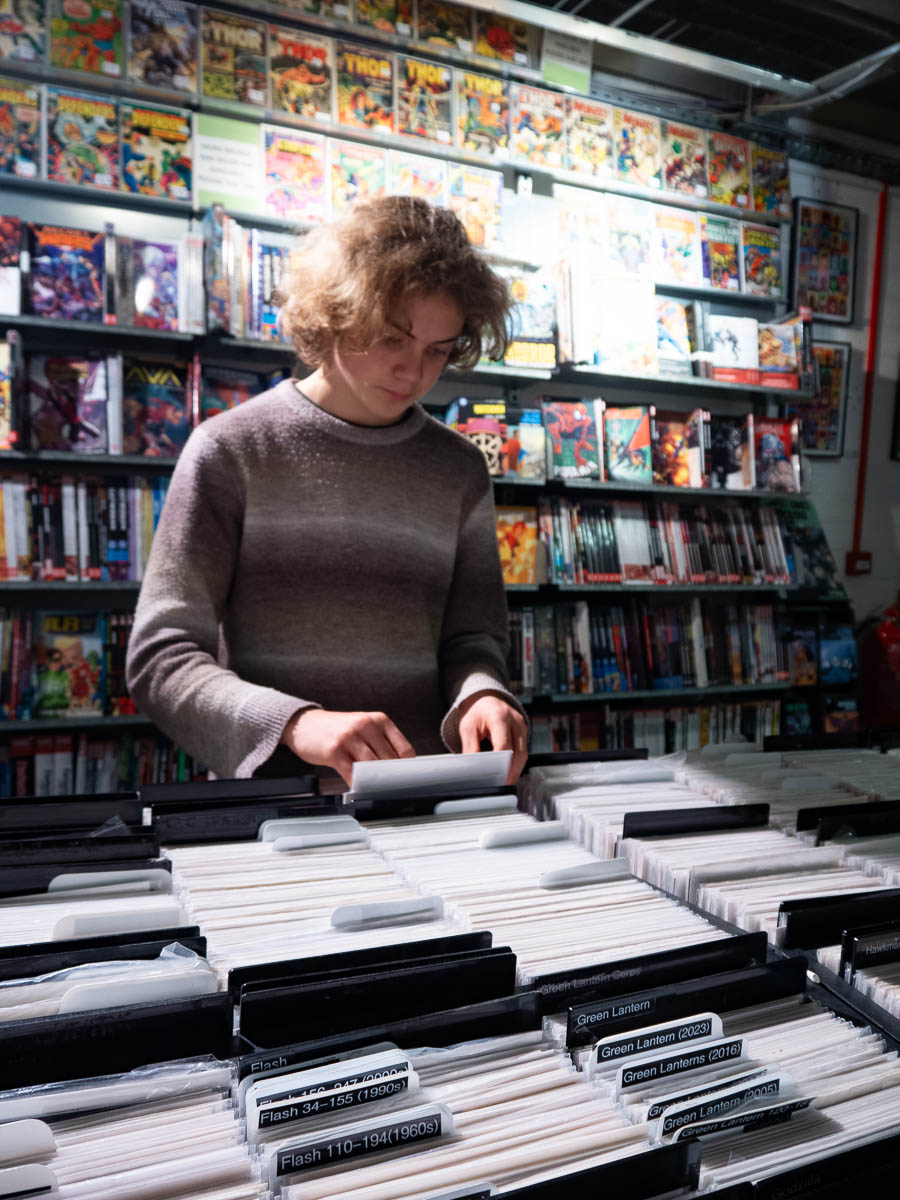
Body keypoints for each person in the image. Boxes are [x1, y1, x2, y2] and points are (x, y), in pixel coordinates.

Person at [125, 195, 529, 789]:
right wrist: (295, 723)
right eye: (391, 339)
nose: (414, 372)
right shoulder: (230, 450)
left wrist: (481, 694)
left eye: (438, 351)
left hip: (426, 793)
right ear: (336, 313)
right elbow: (162, 658)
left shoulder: (460, 468)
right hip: (276, 802)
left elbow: (472, 638)